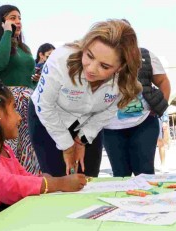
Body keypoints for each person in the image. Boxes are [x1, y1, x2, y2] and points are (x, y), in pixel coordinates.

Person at [0, 81, 87, 230]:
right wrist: (58, 183)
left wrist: (43, 179)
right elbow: (6, 187)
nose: (20, 118)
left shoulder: (6, 150)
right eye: (14, 109)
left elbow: (22, 176)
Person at [28, 19, 142, 177]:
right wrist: (67, 145)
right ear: (85, 45)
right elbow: (44, 105)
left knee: (87, 178)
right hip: (48, 117)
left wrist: (82, 139)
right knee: (58, 180)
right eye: (89, 56)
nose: (92, 69)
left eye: (105, 66)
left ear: (120, 67)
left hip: (88, 121)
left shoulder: (123, 82)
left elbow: (108, 111)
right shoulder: (60, 59)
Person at [0, 5, 40, 174]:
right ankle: (6, 187)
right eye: (12, 18)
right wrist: (7, 33)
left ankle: (29, 184)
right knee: (7, 147)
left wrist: (34, 81)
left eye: (19, 18)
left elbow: (27, 78)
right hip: (4, 102)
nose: (18, 22)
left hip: (27, 103)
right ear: (1, 21)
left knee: (30, 149)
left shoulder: (24, 48)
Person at [103, 44, 170, 177]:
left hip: (144, 122)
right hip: (111, 127)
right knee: (120, 175)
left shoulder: (146, 55)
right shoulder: (102, 57)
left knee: (145, 172)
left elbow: (163, 81)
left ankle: (149, 199)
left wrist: (159, 107)